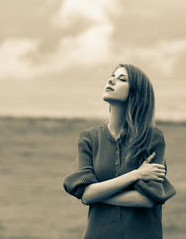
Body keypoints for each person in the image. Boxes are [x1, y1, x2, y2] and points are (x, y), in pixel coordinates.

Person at [63, 63, 176, 239]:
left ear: (136, 92)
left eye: (122, 79)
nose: (111, 80)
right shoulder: (89, 138)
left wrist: (95, 194)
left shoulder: (153, 138)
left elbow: (147, 199)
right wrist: (135, 175)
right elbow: (86, 194)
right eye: (112, 76)